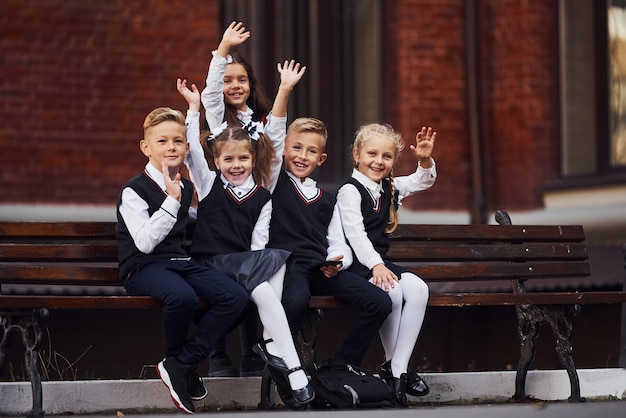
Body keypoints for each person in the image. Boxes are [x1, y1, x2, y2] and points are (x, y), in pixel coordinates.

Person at [177, 79, 314, 407]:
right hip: (210, 264)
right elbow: (192, 150)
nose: (235, 165)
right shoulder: (209, 184)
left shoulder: (263, 195)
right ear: (217, 160)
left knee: (274, 260)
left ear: (254, 159)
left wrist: (256, 277)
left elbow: (258, 244)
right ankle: (291, 364)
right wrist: (193, 109)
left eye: (242, 159)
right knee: (268, 276)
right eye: (228, 160)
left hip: (241, 267)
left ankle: (271, 341)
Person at [115, 107, 249, 414]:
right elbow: (146, 243)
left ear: (187, 147)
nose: (171, 147)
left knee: (236, 296)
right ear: (146, 147)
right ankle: (177, 360)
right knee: (182, 297)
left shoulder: (187, 186)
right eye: (162, 141)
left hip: (181, 262)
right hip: (142, 268)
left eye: (178, 141)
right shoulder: (133, 191)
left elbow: (191, 225)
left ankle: (182, 363)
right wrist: (171, 201)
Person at [200, 20, 307, 377]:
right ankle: (217, 356)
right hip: (221, 216)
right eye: (228, 79)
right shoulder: (220, 125)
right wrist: (222, 51)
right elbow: (210, 97)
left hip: (256, 210)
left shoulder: (260, 124)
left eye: (241, 79)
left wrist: (285, 89)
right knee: (225, 284)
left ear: (250, 85)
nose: (234, 85)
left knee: (258, 279)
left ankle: (252, 354)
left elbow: (275, 138)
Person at [266, 117, 393, 373]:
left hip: (320, 268)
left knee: (380, 302)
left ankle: (342, 363)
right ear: (282, 150)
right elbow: (272, 138)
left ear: (321, 159)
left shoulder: (328, 198)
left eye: (311, 151)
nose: (303, 156)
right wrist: (286, 90)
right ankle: (282, 362)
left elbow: (338, 241)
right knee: (297, 299)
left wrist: (338, 260)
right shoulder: (274, 183)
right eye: (296, 148)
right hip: (288, 267)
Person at [336, 123, 437, 407]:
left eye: (386, 156)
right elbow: (355, 234)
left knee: (417, 289)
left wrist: (425, 159)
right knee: (391, 291)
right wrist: (377, 266)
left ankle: (397, 369)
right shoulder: (350, 191)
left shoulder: (390, 187)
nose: (378, 161)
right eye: (372, 154)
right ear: (356, 155)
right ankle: (396, 372)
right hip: (357, 265)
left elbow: (423, 180)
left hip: (380, 264)